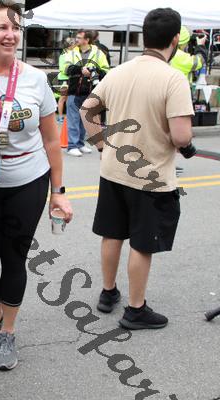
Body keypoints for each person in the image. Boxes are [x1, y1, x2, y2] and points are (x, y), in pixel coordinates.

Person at [0, 0, 73, 370]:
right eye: (1, 27)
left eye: (15, 28)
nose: (10, 35)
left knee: (13, 259)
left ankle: (7, 331)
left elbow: (50, 140)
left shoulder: (35, 79)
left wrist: (58, 192)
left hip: (27, 180)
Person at [80, 7, 195, 330]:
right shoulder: (173, 79)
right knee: (143, 243)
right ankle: (135, 309)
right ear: (175, 39)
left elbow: (87, 110)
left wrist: (101, 145)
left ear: (145, 36)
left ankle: (108, 292)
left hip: (113, 168)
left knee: (112, 233)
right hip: (150, 176)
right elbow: (181, 136)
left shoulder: (119, 72)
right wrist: (184, 143)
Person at [62, 29, 109, 157]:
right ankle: (72, 146)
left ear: (86, 40)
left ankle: (80, 144)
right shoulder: (71, 52)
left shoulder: (98, 53)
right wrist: (80, 69)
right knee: (73, 119)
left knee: (84, 119)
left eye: (79, 37)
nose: (76, 40)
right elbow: (65, 68)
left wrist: (94, 70)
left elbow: (106, 71)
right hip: (74, 90)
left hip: (90, 91)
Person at [56, 37, 75, 123]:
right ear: (69, 45)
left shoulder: (73, 54)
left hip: (71, 79)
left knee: (68, 99)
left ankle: (67, 117)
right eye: (73, 43)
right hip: (64, 79)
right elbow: (62, 68)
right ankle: (60, 117)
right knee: (63, 98)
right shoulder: (63, 55)